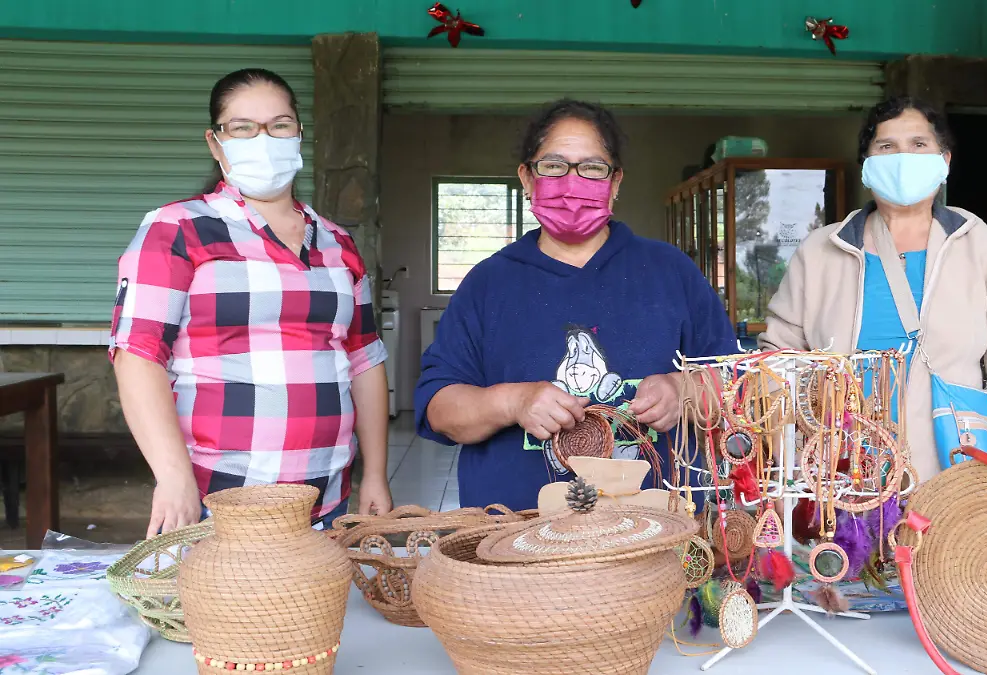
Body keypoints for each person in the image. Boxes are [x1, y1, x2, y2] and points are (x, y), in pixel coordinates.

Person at [415, 99, 738, 511]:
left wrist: (683, 390)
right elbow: (439, 408)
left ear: (616, 181)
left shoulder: (670, 272)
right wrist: (513, 401)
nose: (572, 182)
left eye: (592, 167)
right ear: (527, 178)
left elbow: (734, 384)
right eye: (553, 166)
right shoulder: (488, 282)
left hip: (654, 537)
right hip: (516, 538)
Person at [110, 68, 393, 538]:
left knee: (313, 611)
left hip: (326, 495)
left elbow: (364, 358)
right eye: (243, 128)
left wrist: (376, 474)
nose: (264, 139)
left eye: (279, 125)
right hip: (219, 497)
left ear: (298, 134)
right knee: (233, 612)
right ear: (216, 143)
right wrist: (173, 475)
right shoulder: (178, 229)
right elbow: (138, 354)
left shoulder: (338, 243)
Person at [759, 96, 987, 482]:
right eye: (886, 146)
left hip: (955, 467)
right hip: (844, 473)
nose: (903, 157)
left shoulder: (975, 243)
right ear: (867, 166)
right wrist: (789, 449)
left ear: (944, 161)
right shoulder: (822, 251)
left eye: (919, 144)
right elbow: (779, 356)